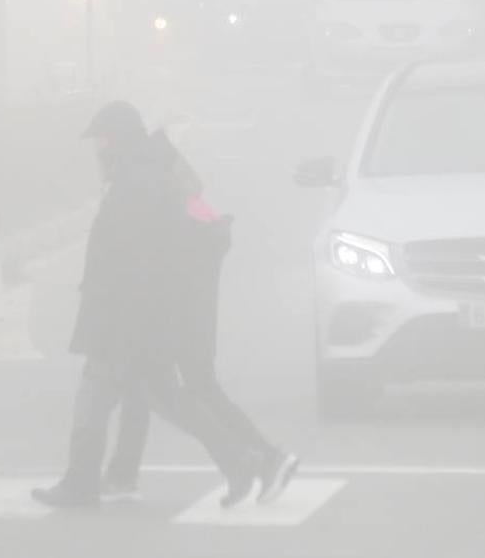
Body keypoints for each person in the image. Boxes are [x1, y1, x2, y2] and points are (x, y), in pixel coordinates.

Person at [32, 100, 260, 509]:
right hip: (139, 320)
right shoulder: (142, 178)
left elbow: (132, 262)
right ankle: (238, 463)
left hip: (122, 322)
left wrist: (117, 323)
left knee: (93, 401)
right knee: (169, 401)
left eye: (101, 139)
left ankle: (81, 484)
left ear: (117, 140)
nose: (98, 150)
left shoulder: (135, 185)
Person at [100, 131, 300, 505]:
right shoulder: (182, 197)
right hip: (190, 315)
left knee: (173, 392)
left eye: (105, 142)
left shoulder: (154, 197)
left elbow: (152, 264)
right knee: (179, 391)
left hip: (174, 318)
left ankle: (257, 461)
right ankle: (251, 465)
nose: (101, 154)